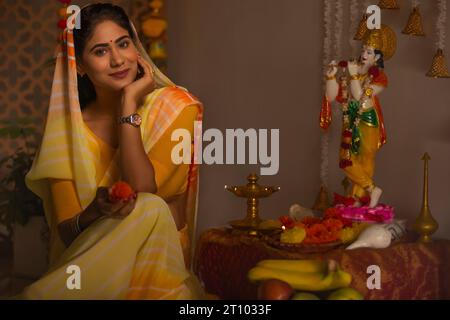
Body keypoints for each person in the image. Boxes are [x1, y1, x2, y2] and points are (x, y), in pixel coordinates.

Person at [21, 3, 204, 299]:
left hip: (156, 271)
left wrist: (128, 105)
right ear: (79, 65)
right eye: (100, 51)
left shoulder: (174, 108)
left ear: (136, 48)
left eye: (123, 44)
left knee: (149, 205)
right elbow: (66, 233)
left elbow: (143, 187)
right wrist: (93, 214)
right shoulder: (66, 131)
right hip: (88, 276)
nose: (118, 60)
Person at [320, 26, 395, 208]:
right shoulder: (354, 70)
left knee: (365, 159)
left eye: (369, 52)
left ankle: (357, 199)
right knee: (346, 160)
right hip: (351, 117)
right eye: (363, 49)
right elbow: (331, 97)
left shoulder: (380, 77)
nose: (364, 54)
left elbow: (360, 95)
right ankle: (371, 189)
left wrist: (353, 74)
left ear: (377, 57)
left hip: (367, 119)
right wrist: (331, 78)